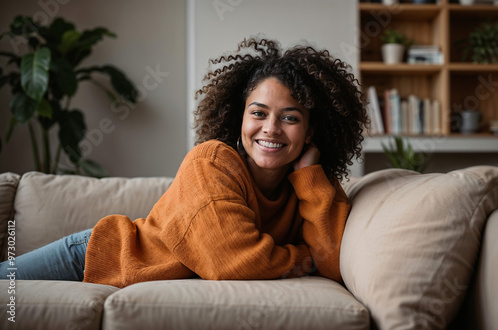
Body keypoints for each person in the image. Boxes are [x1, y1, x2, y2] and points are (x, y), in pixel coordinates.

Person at [0, 37, 368, 288]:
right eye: (259, 113)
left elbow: (333, 263)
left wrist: (310, 177)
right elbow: (232, 262)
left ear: (310, 130)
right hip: (95, 255)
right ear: (239, 117)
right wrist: (306, 259)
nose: (270, 129)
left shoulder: (313, 184)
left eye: (290, 117)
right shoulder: (211, 162)